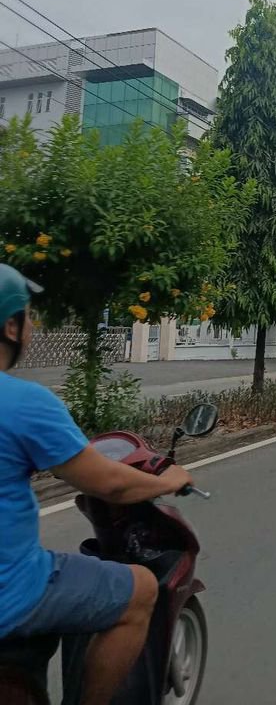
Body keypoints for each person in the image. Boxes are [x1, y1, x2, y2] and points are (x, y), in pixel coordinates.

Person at [0, 264, 194, 705]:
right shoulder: (25, 403)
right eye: (27, 317)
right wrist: (168, 479)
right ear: (10, 327)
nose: (32, 327)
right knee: (141, 590)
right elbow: (111, 485)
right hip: (12, 590)